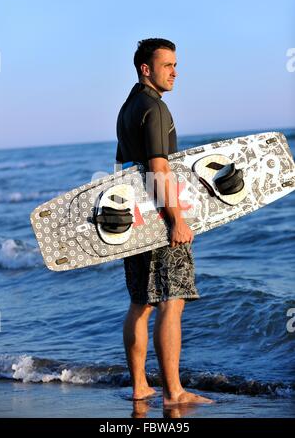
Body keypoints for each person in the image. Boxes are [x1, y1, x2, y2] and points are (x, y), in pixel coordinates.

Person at [116, 38, 213, 406]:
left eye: (176, 64)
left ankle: (140, 386)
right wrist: (175, 220)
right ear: (146, 69)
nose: (175, 71)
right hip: (159, 220)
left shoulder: (128, 108)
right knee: (172, 301)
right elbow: (158, 168)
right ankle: (175, 393)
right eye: (168, 64)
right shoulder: (155, 108)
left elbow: (125, 170)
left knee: (141, 302)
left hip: (136, 219)